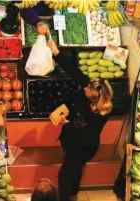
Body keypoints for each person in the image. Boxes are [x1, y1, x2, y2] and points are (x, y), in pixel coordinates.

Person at [47, 40, 114, 201]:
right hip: (72, 141)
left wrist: (67, 125)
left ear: (96, 96)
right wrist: (57, 53)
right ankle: (73, 193)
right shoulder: (91, 86)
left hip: (82, 148)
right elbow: (74, 71)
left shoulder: (100, 114)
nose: (84, 88)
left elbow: (86, 138)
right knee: (75, 172)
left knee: (64, 176)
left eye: (87, 90)